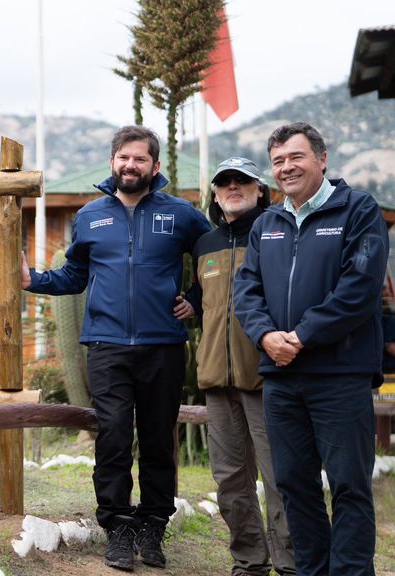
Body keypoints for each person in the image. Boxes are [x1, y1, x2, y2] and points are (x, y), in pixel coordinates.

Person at [20, 125, 211, 571]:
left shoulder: (181, 215)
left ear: (155, 165)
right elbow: (74, 275)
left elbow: (216, 258)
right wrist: (35, 282)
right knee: (114, 439)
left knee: (160, 441)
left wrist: (197, 300)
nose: (131, 165)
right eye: (124, 157)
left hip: (163, 345)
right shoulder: (90, 216)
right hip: (106, 347)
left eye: (140, 158)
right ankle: (118, 527)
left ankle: (153, 526)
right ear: (113, 162)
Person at [234, 122, 386, 576]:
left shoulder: (358, 211)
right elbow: (247, 291)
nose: (286, 167)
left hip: (340, 375)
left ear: (322, 158)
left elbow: (360, 288)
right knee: (293, 486)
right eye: (278, 161)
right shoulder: (267, 224)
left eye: (295, 157)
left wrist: (300, 337)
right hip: (281, 378)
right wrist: (264, 336)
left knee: (349, 486)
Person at [183, 157, 295, 575]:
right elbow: (203, 296)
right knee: (230, 481)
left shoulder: (280, 234)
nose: (233, 187)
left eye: (243, 181)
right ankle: (249, 562)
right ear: (214, 193)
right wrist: (189, 303)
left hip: (268, 378)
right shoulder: (205, 245)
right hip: (216, 378)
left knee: (280, 475)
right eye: (224, 182)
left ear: (260, 190)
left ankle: (292, 561)